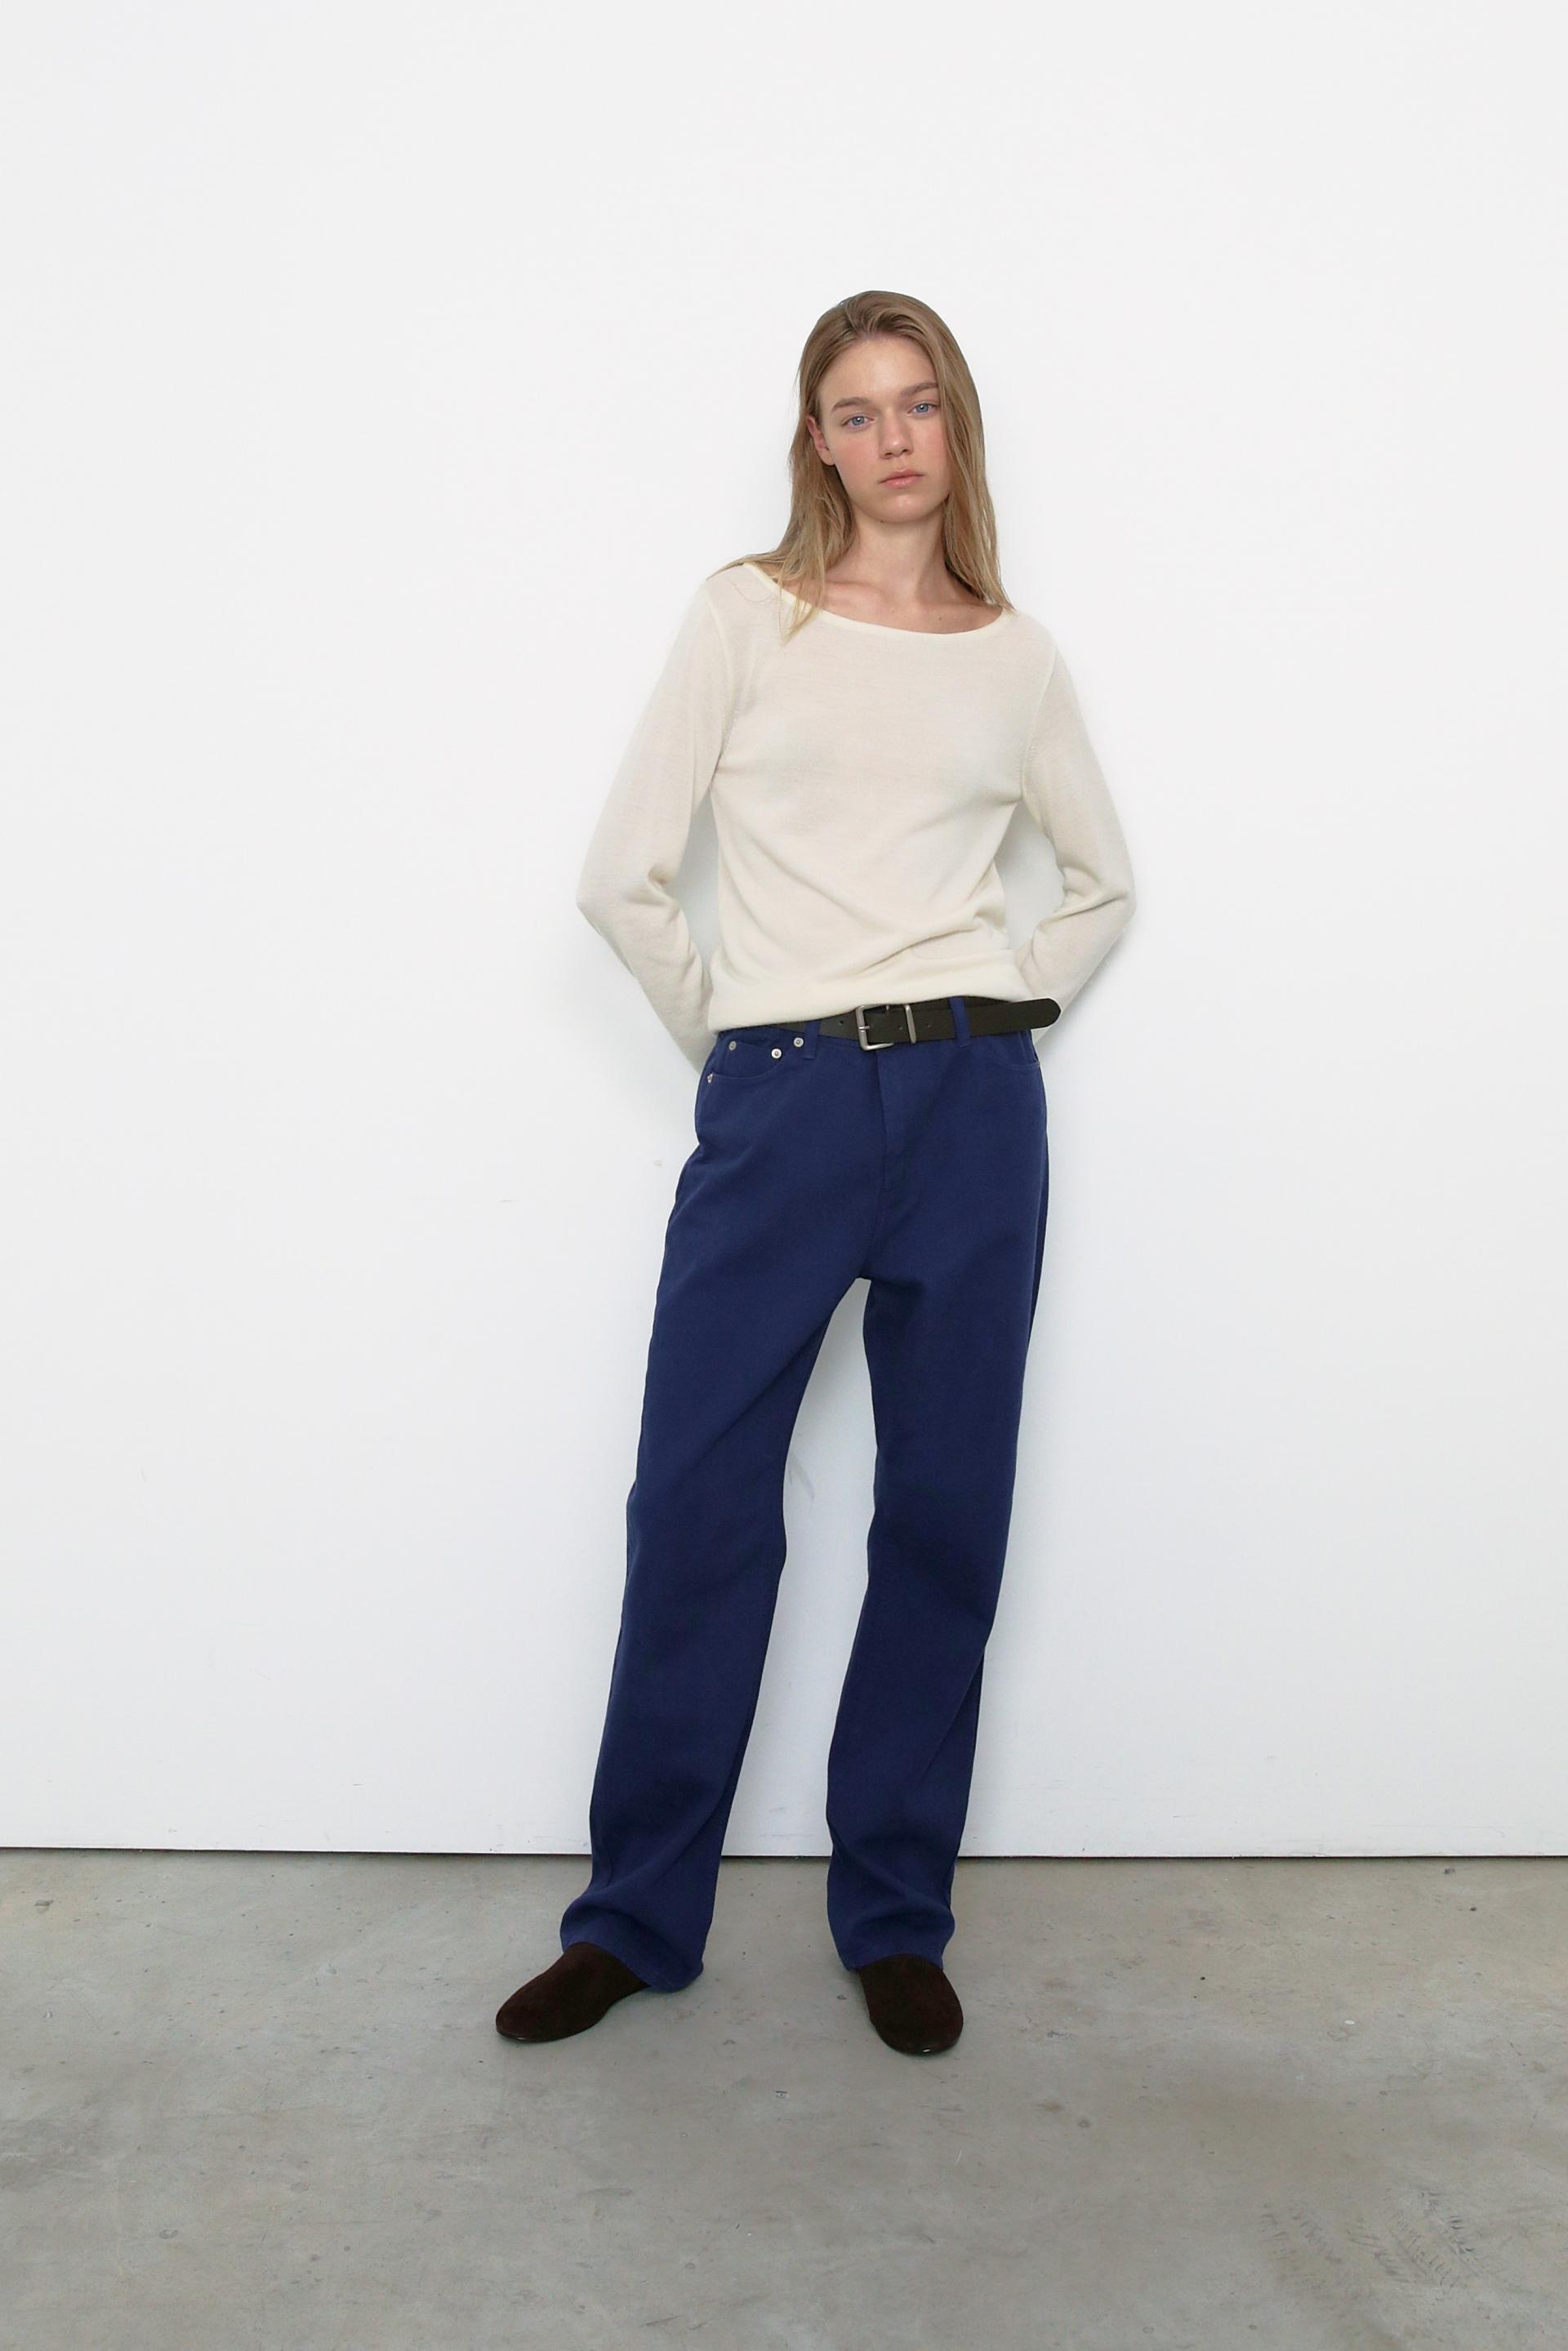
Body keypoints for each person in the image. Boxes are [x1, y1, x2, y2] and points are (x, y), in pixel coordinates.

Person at [497, 290, 1136, 2058]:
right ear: (819, 444)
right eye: (855, 412)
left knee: (944, 1508)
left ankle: (896, 1914)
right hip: (782, 1102)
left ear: (956, 425)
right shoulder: (749, 616)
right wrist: (737, 1044)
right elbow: (622, 876)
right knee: (698, 1502)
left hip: (974, 1108)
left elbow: (1102, 884)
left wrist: (1008, 1014)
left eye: (917, 403)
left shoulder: (1015, 657)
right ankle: (636, 1919)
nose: (891, 438)